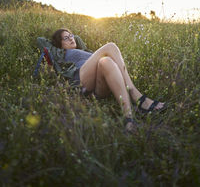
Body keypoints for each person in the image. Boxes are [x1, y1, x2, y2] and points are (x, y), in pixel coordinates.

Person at [37, 28, 165, 133]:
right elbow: (40, 40)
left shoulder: (86, 51)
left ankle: (129, 119)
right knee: (110, 46)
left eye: (71, 35)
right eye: (66, 38)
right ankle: (136, 95)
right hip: (79, 80)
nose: (71, 38)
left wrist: (73, 37)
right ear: (59, 44)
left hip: (98, 89)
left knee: (106, 61)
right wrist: (55, 43)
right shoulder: (60, 53)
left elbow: (78, 40)